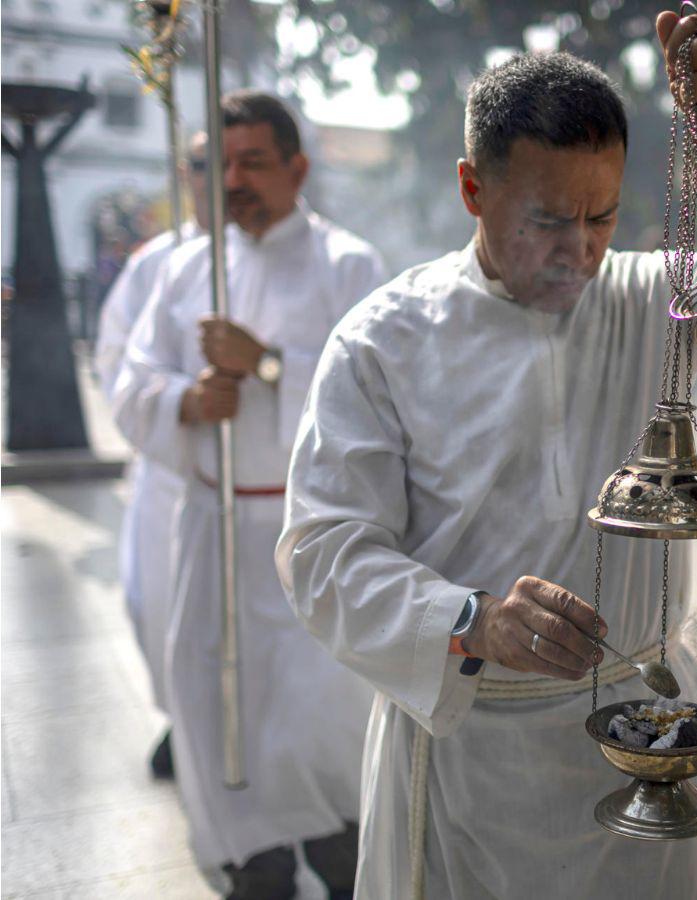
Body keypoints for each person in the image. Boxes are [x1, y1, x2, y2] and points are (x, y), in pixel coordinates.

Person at [277, 10, 697, 899]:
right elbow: (321, 553)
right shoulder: (383, 341)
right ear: (473, 190)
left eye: (603, 215)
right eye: (550, 219)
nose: (582, 248)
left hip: (648, 749)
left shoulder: (648, 296)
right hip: (469, 760)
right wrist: (470, 617)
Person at [112, 91, 385, 899]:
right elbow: (132, 380)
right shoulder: (185, 267)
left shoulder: (348, 264)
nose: (232, 180)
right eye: (218, 164)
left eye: (253, 162)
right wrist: (188, 403)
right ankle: (251, 863)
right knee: (210, 696)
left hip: (310, 529)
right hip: (210, 521)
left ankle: (341, 856)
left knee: (317, 717)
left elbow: (375, 395)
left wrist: (268, 366)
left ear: (297, 168)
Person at [96, 131, 209, 780]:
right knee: (154, 604)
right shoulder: (153, 264)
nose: (213, 178)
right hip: (170, 473)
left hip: (257, 481)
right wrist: (180, 401)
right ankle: (180, 717)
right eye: (198, 166)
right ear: (183, 174)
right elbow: (118, 365)